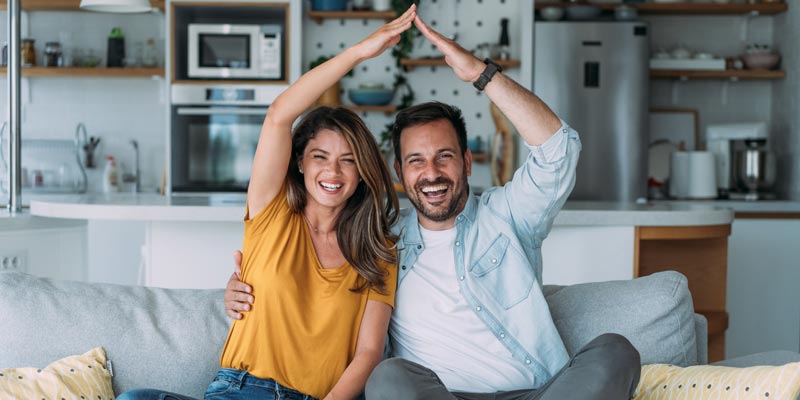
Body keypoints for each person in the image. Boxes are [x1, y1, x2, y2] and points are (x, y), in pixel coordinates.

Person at [225, 12, 642, 400]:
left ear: (465, 160)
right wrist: (240, 290)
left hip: (536, 392)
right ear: (398, 171)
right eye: (416, 161)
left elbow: (558, 151)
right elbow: (321, 308)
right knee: (389, 378)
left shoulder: (509, 216)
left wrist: (482, 74)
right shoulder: (381, 248)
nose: (431, 173)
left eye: (443, 156)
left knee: (616, 351)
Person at [118, 6, 419, 400]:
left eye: (348, 160)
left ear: (362, 170)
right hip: (239, 390)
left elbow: (367, 354)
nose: (334, 171)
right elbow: (279, 115)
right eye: (320, 156)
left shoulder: (378, 250)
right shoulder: (271, 211)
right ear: (299, 161)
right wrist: (359, 52)